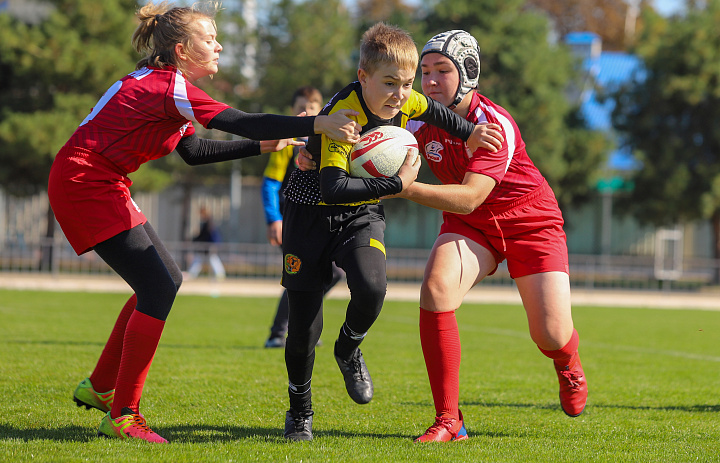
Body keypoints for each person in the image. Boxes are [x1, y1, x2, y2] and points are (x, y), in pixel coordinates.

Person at [48, 1, 359, 444]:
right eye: (209, 39)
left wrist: (264, 147)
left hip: (96, 180)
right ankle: (123, 414)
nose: (218, 46)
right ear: (181, 49)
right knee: (159, 285)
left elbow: (194, 152)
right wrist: (317, 121)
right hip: (86, 181)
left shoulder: (165, 88)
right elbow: (240, 121)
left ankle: (100, 388)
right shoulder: (167, 87)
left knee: (159, 282)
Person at [279, 22, 503, 441]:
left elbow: (431, 109)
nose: (401, 94)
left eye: (405, 82)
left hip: (360, 209)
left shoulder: (405, 95)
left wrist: (469, 130)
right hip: (310, 212)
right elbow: (332, 186)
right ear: (363, 78)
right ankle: (300, 411)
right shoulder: (343, 116)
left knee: (372, 286)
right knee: (303, 328)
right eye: (389, 83)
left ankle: (348, 348)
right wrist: (398, 185)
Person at [394, 30, 588, 442]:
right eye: (424, 71)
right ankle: (450, 420)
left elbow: (468, 197)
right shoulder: (415, 116)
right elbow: (372, 131)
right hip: (472, 226)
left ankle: (567, 361)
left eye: (441, 71)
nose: (429, 81)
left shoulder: (492, 123)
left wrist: (402, 188)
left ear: (468, 72)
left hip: (530, 223)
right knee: (435, 288)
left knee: (550, 335)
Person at [261, 86, 343, 348]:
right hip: (293, 219)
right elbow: (271, 183)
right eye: (299, 107)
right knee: (300, 273)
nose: (304, 112)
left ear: (321, 110)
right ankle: (279, 332)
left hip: (321, 218)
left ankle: (301, 327)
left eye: (311, 107)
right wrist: (274, 219)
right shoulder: (289, 141)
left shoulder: (328, 139)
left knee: (333, 273)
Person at [186, 206, 226, 280]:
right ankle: (192, 273)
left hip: (209, 245)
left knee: (210, 259)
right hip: (209, 245)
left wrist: (194, 239)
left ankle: (220, 274)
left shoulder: (209, 223)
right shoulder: (208, 222)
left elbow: (207, 235)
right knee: (203, 259)